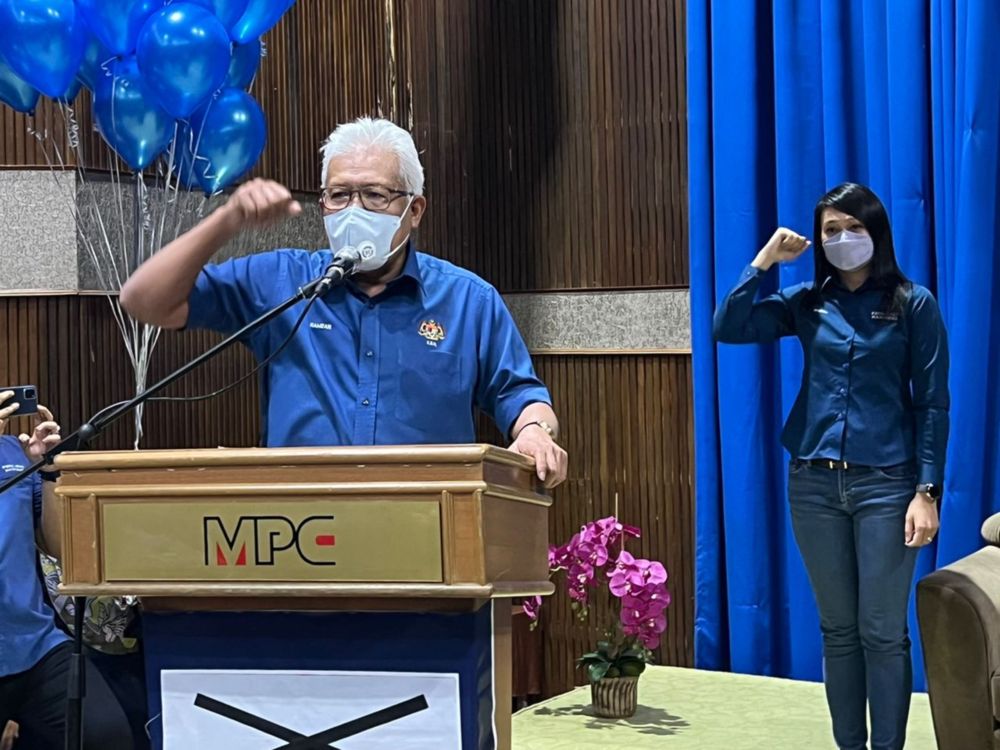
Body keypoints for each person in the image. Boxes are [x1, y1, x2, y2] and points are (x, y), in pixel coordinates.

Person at [120, 117, 568, 486]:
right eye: (339, 195)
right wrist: (225, 222)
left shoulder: (468, 300)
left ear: (414, 211)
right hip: (304, 535)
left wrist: (534, 431)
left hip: (429, 535)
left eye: (375, 195)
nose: (354, 211)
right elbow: (144, 301)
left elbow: (521, 395)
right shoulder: (283, 281)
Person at [713, 182, 949, 750]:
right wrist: (765, 259)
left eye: (855, 228)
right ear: (819, 240)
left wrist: (928, 490)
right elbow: (730, 326)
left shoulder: (913, 303)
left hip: (888, 486)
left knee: (882, 632)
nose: (843, 239)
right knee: (838, 631)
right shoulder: (807, 301)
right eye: (831, 231)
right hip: (813, 484)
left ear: (877, 232)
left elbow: (933, 402)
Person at [0, 392, 134, 750]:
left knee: (108, 736)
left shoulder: (14, 452)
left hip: (34, 647)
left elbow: (58, 547)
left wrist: (47, 470)